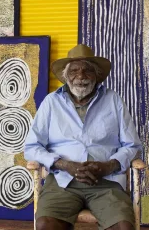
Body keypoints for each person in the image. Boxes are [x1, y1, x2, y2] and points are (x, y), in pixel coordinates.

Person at [24, 44, 142, 230]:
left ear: (96, 75)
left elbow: (132, 145)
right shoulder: (51, 102)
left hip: (106, 182)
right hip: (62, 182)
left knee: (123, 227)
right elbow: (32, 147)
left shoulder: (113, 100)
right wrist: (65, 164)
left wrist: (108, 166)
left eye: (87, 71)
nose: (81, 76)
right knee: (46, 225)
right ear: (66, 76)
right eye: (74, 71)